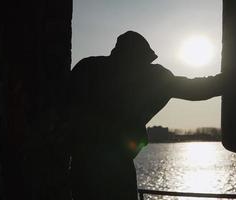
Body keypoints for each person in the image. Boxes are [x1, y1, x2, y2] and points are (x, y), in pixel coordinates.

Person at [67, 31, 223, 200]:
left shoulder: (88, 67)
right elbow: (197, 89)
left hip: (82, 162)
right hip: (115, 165)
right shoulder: (153, 79)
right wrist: (233, 78)